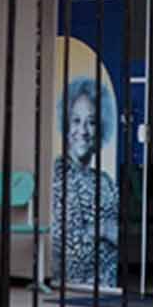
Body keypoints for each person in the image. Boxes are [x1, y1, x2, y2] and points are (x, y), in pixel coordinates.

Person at [47, 77, 120, 290]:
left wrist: (95, 231)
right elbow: (70, 254)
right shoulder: (59, 177)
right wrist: (105, 230)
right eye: (76, 121)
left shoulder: (105, 182)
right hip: (81, 286)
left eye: (91, 121)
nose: (84, 131)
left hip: (108, 287)